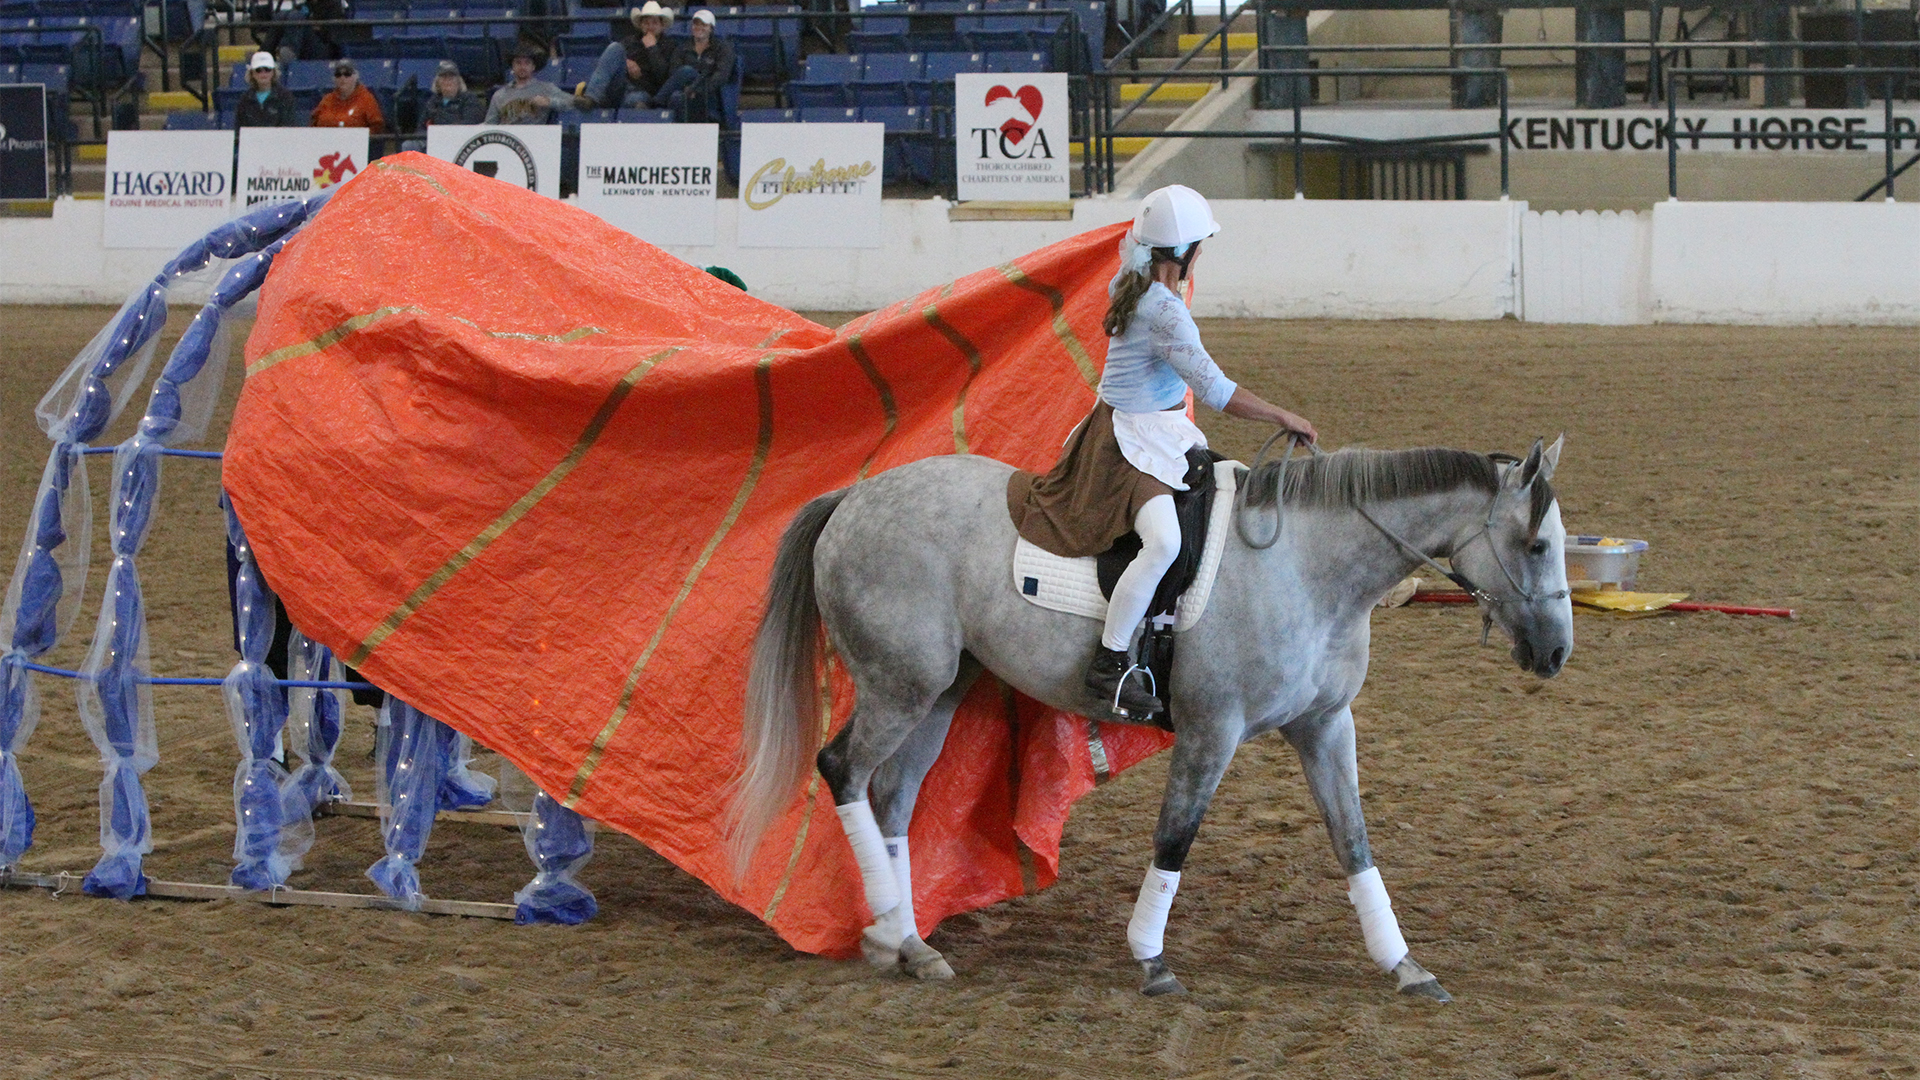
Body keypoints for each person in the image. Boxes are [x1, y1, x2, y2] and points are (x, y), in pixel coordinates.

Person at [1006, 185, 1317, 720]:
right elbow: (1217, 392)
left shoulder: (1131, 283)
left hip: (1148, 428)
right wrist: (1281, 416)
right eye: (1201, 245)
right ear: (1186, 252)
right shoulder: (1166, 314)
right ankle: (1109, 666)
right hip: (1128, 443)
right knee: (1164, 544)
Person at [578, 1, 677, 110]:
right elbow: (609, 61)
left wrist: (652, 48)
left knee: (635, 100)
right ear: (640, 25)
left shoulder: (670, 46)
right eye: (646, 23)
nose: (650, 27)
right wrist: (626, 62)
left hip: (646, 91)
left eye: (654, 23)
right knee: (615, 47)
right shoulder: (629, 41)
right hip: (621, 87)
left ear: (662, 25)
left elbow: (664, 77)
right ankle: (590, 98)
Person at [655, 8, 733, 122]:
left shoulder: (722, 48)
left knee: (686, 70)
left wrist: (697, 90)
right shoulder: (682, 48)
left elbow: (721, 76)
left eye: (704, 25)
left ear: (711, 28)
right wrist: (688, 89)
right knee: (676, 96)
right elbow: (674, 73)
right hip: (685, 91)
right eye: (696, 24)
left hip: (708, 94)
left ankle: (656, 103)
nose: (699, 27)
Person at [400, 60, 485, 152]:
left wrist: (442, 128)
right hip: (434, 140)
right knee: (409, 145)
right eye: (444, 77)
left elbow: (470, 125)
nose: (447, 81)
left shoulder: (469, 99)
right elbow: (421, 128)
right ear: (437, 82)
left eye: (451, 77)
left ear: (459, 81)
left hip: (461, 142)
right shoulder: (432, 101)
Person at [486, 44, 571, 125]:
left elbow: (572, 102)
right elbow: (489, 124)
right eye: (518, 63)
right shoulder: (499, 95)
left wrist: (550, 102)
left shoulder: (546, 88)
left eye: (527, 63)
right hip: (507, 137)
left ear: (533, 67)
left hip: (534, 137)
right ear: (512, 67)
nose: (522, 67)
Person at [310, 58, 386, 134]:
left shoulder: (367, 99)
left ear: (356, 76)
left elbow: (377, 127)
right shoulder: (327, 99)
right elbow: (313, 123)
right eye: (338, 74)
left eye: (347, 74)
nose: (342, 78)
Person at [234, 51, 298, 128]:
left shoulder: (284, 97)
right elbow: (239, 129)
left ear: (273, 72)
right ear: (252, 73)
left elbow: (288, 126)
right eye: (258, 70)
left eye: (267, 69)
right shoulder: (245, 99)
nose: (263, 73)